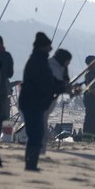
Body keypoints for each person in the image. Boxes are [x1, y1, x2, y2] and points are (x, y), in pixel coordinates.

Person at [18, 32, 70, 171]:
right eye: (48, 46)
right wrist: (62, 87)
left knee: (37, 133)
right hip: (32, 103)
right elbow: (46, 84)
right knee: (36, 134)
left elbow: (49, 82)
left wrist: (62, 87)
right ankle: (30, 165)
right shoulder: (38, 62)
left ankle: (32, 163)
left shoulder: (40, 60)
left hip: (36, 103)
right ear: (42, 47)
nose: (50, 48)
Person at [82, 55, 95, 141]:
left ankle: (88, 137)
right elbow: (90, 85)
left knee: (90, 117)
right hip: (92, 98)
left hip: (90, 98)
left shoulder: (90, 72)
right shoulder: (92, 72)